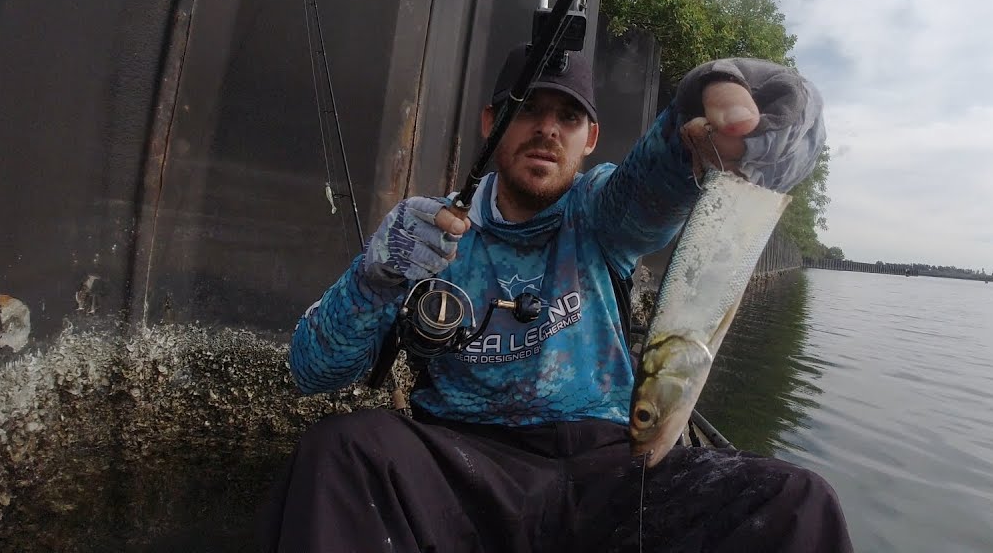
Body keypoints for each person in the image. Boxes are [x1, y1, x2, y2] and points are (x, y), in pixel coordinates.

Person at [257, 44, 853, 552]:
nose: (547, 128)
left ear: (590, 137)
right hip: (464, 466)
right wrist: (374, 278)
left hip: (611, 470)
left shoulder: (601, 213)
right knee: (342, 449)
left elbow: (662, 172)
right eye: (528, 110)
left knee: (796, 501)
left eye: (568, 117)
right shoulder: (427, 236)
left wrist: (707, 93)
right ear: (492, 122)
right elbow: (311, 371)